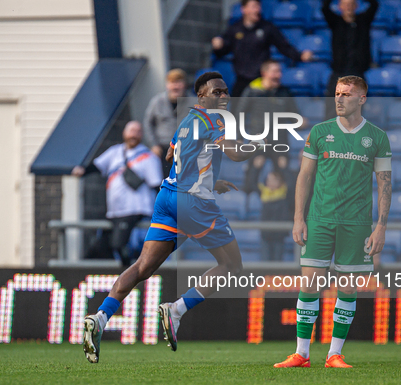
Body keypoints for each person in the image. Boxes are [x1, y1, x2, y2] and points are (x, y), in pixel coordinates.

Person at [81, 72, 262, 363]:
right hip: (192, 203)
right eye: (217, 91)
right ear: (202, 96)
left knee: (142, 267)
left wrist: (212, 181)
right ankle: (176, 310)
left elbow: (171, 157)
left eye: (226, 91)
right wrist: (261, 145)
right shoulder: (215, 120)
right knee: (231, 265)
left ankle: (101, 317)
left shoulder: (187, 122)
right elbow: (235, 153)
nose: (224, 96)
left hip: (168, 198)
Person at [275, 76, 392, 368]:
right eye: (337, 93)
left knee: (348, 287)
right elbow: (304, 176)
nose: (339, 99)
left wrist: (381, 226)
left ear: (362, 99)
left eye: (347, 94)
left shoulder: (377, 137)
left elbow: (385, 183)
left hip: (357, 223)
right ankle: (301, 353)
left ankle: (334, 354)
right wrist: (298, 217)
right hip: (320, 219)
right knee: (309, 283)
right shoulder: (320, 131)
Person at [72, 121, 163, 267]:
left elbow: (156, 185)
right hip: (115, 211)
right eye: (131, 131)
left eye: (137, 131)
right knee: (102, 246)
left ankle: (129, 275)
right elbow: (97, 166)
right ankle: (118, 274)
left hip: (135, 210)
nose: (133, 134)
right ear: (124, 133)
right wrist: (82, 171)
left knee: (119, 244)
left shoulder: (148, 157)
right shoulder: (115, 152)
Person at [212, 0, 312, 97]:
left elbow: (284, 47)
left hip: (260, 79)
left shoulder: (267, 28)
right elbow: (222, 51)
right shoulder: (234, 29)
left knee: (262, 110)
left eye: (258, 6)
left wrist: (299, 56)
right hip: (241, 80)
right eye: (254, 6)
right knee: (237, 112)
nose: (257, 10)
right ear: (244, 9)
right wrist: (218, 47)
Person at [237, 59, 301, 195]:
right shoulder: (253, 91)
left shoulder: (284, 92)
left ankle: (287, 207)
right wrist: (238, 138)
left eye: (279, 72)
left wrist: (302, 121)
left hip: (280, 139)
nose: (279, 75)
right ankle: (252, 207)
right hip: (259, 139)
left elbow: (296, 116)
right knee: (255, 168)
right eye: (275, 72)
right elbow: (238, 115)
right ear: (264, 73)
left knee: (285, 173)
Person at [322, 0, 378, 118]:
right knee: (332, 105)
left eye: (351, 4)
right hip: (339, 71)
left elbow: (374, 5)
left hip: (357, 72)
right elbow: (325, 8)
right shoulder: (336, 22)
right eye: (345, 4)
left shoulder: (363, 21)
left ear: (356, 6)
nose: (348, 7)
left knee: (357, 108)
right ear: (340, 6)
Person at [143, 69, 189, 176]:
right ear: (167, 85)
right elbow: (148, 123)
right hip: (163, 150)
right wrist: (153, 144)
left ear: (184, 84)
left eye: (179, 82)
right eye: (172, 83)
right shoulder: (157, 101)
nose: (175, 86)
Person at [259, 171, 292, 261]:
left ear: (280, 182)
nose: (270, 182)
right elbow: (252, 183)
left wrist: (283, 168)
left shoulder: (285, 195)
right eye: (269, 180)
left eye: (274, 180)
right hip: (266, 237)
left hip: (278, 237)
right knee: (265, 265)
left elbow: (292, 183)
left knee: (277, 267)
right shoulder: (263, 194)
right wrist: (256, 167)